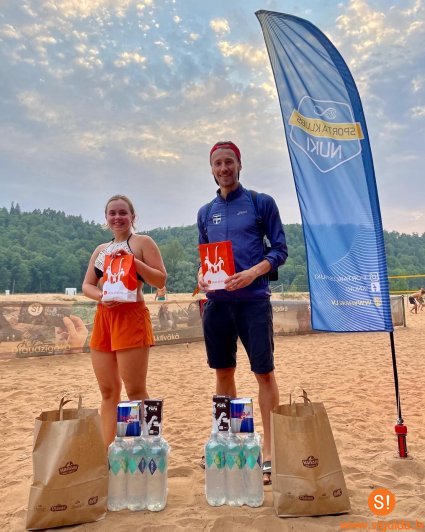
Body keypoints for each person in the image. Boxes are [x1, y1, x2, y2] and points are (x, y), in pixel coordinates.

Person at [197, 141, 288, 485]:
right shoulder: (205, 212)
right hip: (218, 303)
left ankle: (271, 451)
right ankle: (227, 441)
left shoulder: (260, 202)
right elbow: (204, 257)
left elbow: (280, 250)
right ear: (211, 169)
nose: (224, 168)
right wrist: (201, 275)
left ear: (239, 164)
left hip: (254, 301)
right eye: (218, 163)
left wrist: (252, 272)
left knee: (264, 374)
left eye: (229, 162)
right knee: (223, 373)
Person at [82, 194, 167, 447]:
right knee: (108, 391)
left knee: (135, 390)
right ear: (106, 218)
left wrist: (133, 261)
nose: (117, 217)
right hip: (104, 317)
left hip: (131, 317)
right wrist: (101, 296)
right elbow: (87, 285)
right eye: (112, 213)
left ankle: (150, 448)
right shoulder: (101, 251)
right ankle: (108, 451)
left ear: (132, 216)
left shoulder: (142, 242)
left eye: (123, 213)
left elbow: (160, 280)